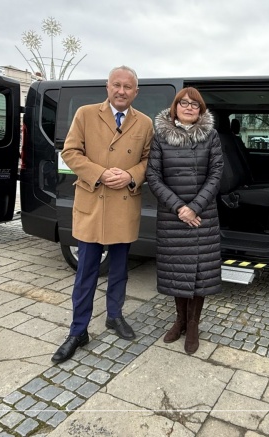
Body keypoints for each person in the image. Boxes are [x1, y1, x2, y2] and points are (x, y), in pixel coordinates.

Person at [51, 65, 154, 364]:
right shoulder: (85, 114)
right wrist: (100, 173)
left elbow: (149, 160)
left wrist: (131, 175)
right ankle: (78, 330)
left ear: (136, 92)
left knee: (120, 269)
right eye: (116, 85)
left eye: (128, 87)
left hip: (123, 203)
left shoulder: (145, 123)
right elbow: (70, 152)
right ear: (107, 87)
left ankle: (114, 316)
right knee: (86, 272)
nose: (121, 91)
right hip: (93, 202)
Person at [146, 88, 224, 355]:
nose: (189, 107)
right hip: (173, 216)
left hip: (203, 216)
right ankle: (179, 320)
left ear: (201, 110)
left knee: (200, 275)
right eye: (184, 103)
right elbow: (153, 176)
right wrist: (180, 207)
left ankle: (193, 325)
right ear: (175, 106)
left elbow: (216, 173)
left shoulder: (211, 136)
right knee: (176, 272)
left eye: (195, 104)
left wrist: (195, 207)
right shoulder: (160, 138)